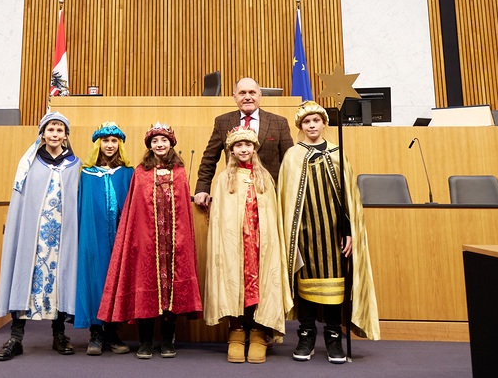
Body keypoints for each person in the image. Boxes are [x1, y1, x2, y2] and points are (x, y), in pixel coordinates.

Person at [276, 101, 380, 364]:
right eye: (307, 122)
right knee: (306, 285)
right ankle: (306, 334)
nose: (312, 126)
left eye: (316, 121)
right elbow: (287, 201)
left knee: (336, 285)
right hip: (305, 233)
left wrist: (349, 231)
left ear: (324, 124)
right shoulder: (292, 155)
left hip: (334, 233)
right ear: (301, 126)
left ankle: (334, 336)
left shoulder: (338, 152)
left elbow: (349, 199)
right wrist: (292, 235)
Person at [98, 122, 203, 360]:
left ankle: (167, 340)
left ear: (171, 143)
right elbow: (135, 210)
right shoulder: (140, 173)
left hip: (174, 242)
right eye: (155, 141)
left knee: (170, 291)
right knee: (146, 286)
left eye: (163, 140)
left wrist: (182, 238)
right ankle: (145, 341)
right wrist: (139, 237)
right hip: (148, 241)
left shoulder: (179, 171)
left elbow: (184, 211)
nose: (160, 144)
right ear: (150, 146)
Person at [0, 112, 81, 361]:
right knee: (25, 275)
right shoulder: (29, 162)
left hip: (61, 236)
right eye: (51, 130)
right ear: (43, 133)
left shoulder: (74, 164)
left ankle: (59, 334)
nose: (55, 134)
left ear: (66, 135)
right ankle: (16, 337)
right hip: (32, 235)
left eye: (59, 130)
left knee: (60, 277)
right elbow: (22, 200)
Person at [203, 127, 293, 364]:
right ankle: (236, 332)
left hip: (259, 244)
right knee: (235, 282)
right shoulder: (224, 180)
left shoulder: (265, 178)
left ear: (255, 149)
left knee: (260, 284)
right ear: (231, 150)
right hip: (234, 245)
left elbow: (272, 215)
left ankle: (258, 333)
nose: (244, 149)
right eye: (238, 146)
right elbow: (220, 217)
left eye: (248, 145)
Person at [74, 122, 134, 355]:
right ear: (98, 144)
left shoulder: (128, 173)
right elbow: (82, 205)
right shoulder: (87, 174)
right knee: (96, 279)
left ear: (119, 144)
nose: (110, 145)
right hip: (94, 236)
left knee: (117, 280)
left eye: (114, 141)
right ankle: (96, 334)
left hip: (119, 237)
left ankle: (113, 333)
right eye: (105, 141)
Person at [194, 77, 294, 209]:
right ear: (234, 97)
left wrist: (291, 193)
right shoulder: (222, 122)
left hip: (269, 196)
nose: (247, 97)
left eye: (252, 92)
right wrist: (202, 188)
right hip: (234, 196)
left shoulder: (279, 122)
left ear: (260, 95)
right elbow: (209, 159)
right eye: (242, 93)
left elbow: (289, 162)